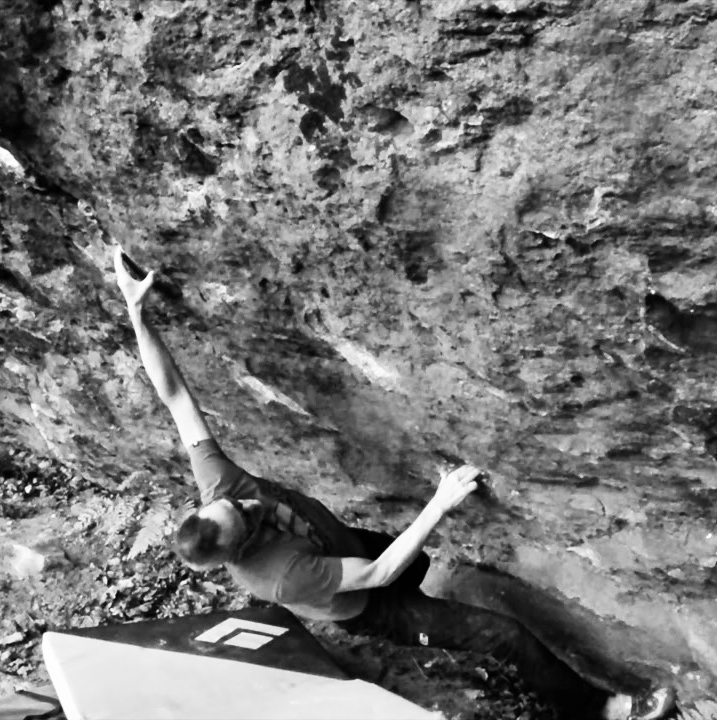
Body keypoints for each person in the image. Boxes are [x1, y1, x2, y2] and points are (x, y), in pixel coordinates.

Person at [113, 246, 676, 720]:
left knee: (419, 561)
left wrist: (137, 314)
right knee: (505, 637)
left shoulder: (219, 487)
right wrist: (440, 502)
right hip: (371, 603)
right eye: (247, 517)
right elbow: (380, 576)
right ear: (243, 548)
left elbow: (175, 397)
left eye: (234, 504)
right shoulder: (281, 576)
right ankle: (604, 709)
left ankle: (436, 616)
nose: (245, 503)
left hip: (348, 548)